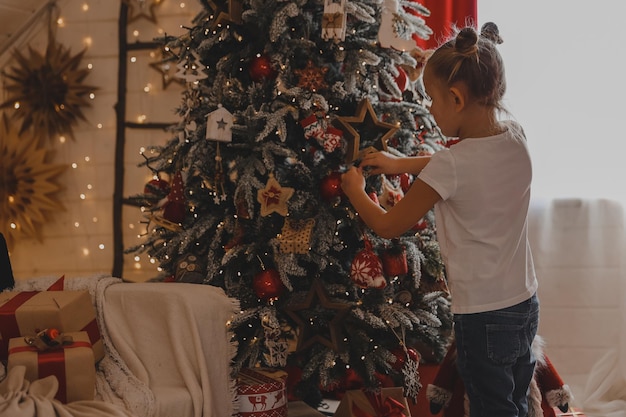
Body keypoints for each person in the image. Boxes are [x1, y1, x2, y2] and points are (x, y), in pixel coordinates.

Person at [341, 22, 539, 417]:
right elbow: (462, 169)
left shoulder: (452, 164)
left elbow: (387, 225)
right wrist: (401, 163)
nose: (429, 107)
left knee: (489, 408)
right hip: (524, 303)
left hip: (482, 316)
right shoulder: (514, 136)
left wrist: (356, 192)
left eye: (432, 98)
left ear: (456, 97)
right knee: (513, 401)